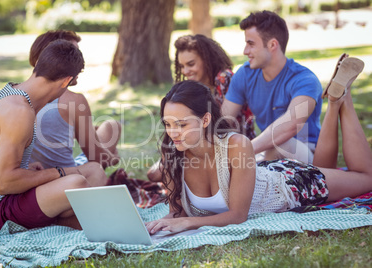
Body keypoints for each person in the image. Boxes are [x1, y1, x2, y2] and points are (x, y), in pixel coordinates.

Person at [145, 54, 371, 234]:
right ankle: (335, 100)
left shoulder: (236, 145)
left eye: (182, 125)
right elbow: (176, 213)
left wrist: (188, 223)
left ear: (205, 120)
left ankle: (339, 101)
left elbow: (237, 216)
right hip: (265, 172)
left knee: (367, 178)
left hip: (290, 184)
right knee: (329, 166)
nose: (173, 133)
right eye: (167, 123)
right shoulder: (172, 153)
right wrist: (155, 226)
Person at [0, 40, 102, 235]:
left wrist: (24, 168)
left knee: (94, 170)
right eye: (70, 84)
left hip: (7, 198)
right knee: (77, 183)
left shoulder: (10, 91)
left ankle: (66, 216)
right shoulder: (19, 112)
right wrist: (58, 172)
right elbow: (4, 183)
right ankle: (73, 222)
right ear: (66, 81)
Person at [147, 34, 256, 182]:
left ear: (207, 59)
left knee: (168, 171)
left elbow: (223, 125)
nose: (185, 71)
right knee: (154, 173)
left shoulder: (224, 78)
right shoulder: (192, 88)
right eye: (182, 66)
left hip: (232, 145)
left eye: (191, 64)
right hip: (197, 142)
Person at [222, 10, 323, 164]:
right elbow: (223, 119)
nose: (245, 51)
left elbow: (290, 126)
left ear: (272, 45)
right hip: (266, 151)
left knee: (280, 144)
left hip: (306, 154)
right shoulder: (245, 74)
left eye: (251, 44)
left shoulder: (304, 80)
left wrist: (244, 150)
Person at [28, 30, 121, 170]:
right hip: (63, 177)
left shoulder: (17, 95)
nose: (80, 60)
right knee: (112, 127)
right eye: (73, 53)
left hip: (30, 175)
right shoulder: (74, 101)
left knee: (110, 126)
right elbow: (97, 158)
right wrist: (114, 158)